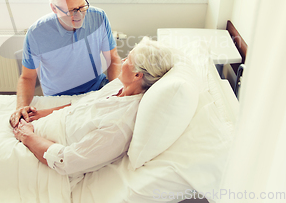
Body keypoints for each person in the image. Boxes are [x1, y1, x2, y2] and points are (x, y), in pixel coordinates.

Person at [12, 37, 174, 188]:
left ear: (137, 75)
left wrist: (27, 136)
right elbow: (83, 104)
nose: (122, 61)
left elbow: (66, 160)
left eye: (127, 59)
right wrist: (43, 113)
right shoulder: (118, 85)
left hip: (43, 148)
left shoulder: (119, 125)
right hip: (46, 126)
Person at [9, 0, 122, 128]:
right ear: (54, 8)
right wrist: (20, 107)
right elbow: (27, 77)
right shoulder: (36, 33)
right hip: (59, 97)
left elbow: (113, 59)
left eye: (82, 7)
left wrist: (115, 89)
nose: (79, 15)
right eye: (71, 11)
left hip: (97, 88)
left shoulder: (98, 17)